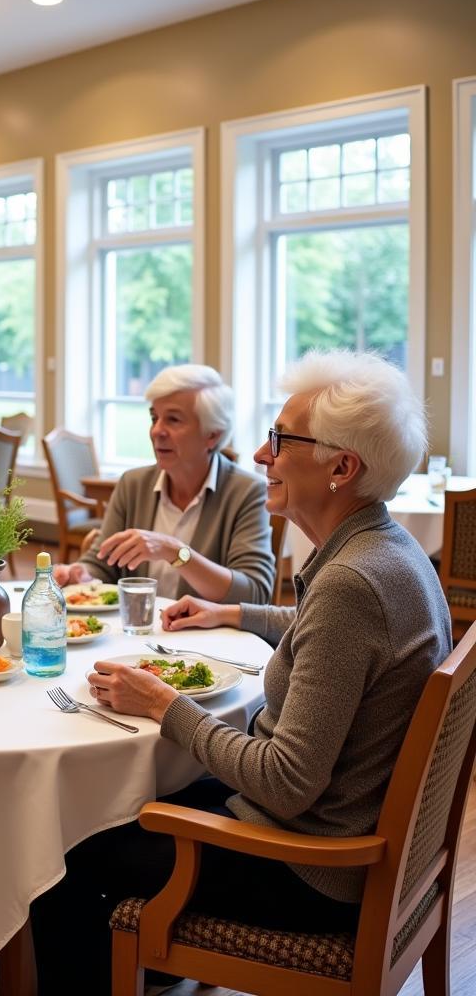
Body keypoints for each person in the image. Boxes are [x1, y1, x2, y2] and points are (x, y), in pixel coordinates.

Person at [30, 351, 452, 995]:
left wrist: (164, 703)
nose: (261, 454)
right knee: (118, 803)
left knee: (58, 849)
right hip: (334, 835)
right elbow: (324, 635)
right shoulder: (389, 552)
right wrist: (230, 610)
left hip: (309, 868)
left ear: (342, 467)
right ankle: (148, 967)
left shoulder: (351, 585)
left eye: (281, 439)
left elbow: (285, 782)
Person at [53, 364, 274, 604]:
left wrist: (174, 551)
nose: (157, 431)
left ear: (213, 434)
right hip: (136, 633)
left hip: (207, 638)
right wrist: (82, 574)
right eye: (154, 418)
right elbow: (102, 564)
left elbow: (254, 593)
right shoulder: (133, 484)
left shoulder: (247, 492)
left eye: (173, 420)